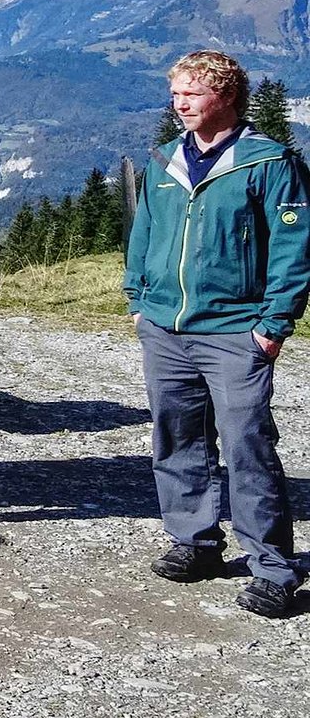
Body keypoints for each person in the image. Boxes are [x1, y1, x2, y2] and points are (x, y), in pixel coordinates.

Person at [126, 49, 310, 619]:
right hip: (165, 326)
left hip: (235, 329)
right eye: (177, 93)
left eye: (194, 94)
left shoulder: (268, 162)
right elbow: (144, 233)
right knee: (177, 437)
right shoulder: (164, 161)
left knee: (248, 445)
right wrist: (139, 299)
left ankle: (274, 568)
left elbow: (293, 248)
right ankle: (196, 541)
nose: (181, 104)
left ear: (226, 97)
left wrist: (273, 323)